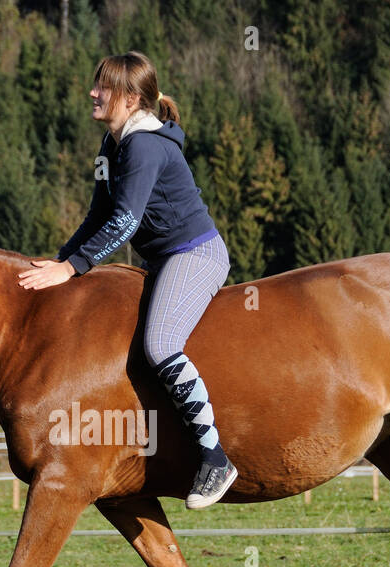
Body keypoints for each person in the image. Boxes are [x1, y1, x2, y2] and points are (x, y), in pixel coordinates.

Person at [17, 51, 237, 509]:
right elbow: (98, 215)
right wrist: (60, 265)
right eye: (95, 84)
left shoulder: (143, 146)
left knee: (159, 346)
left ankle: (215, 458)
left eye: (104, 87)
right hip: (161, 261)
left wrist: (73, 267)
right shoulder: (113, 144)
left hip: (193, 255)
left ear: (132, 98)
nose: (93, 93)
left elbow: (125, 223)